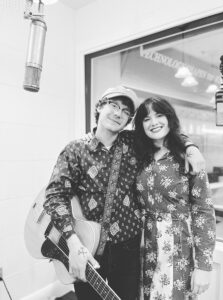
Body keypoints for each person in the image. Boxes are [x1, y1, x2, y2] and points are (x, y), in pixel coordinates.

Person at [43, 86, 206, 300]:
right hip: (86, 246)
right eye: (113, 105)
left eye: (126, 111)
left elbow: (164, 132)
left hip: (129, 249)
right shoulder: (75, 150)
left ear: (129, 119)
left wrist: (190, 146)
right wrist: (73, 244)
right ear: (100, 107)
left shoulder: (134, 142)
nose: (118, 113)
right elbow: (55, 197)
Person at [133, 97, 216, 300]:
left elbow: (203, 212)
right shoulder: (138, 155)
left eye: (159, 115)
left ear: (169, 118)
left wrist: (204, 266)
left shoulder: (187, 157)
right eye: (146, 118)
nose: (154, 123)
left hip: (178, 247)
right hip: (142, 246)